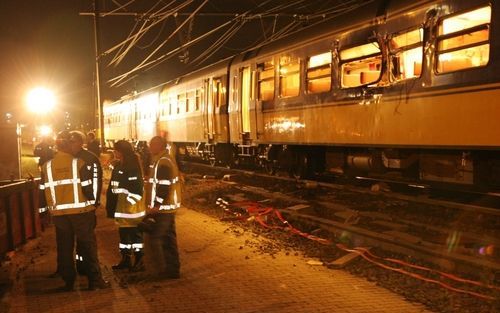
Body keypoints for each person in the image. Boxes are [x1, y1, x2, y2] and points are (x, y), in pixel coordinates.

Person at [39, 130, 110, 291]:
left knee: (64, 248)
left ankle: (68, 282)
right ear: (68, 147)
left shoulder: (47, 166)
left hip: (59, 215)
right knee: (88, 245)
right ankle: (95, 280)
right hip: (80, 213)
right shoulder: (78, 163)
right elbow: (86, 187)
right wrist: (93, 203)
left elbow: (42, 190)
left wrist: (43, 212)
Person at [142, 135, 181, 279]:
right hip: (167, 207)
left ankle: (161, 270)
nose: (149, 148)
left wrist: (156, 205)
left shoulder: (163, 162)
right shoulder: (162, 159)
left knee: (156, 238)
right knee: (168, 239)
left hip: (163, 208)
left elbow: (164, 186)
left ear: (159, 146)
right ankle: (172, 270)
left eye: (151, 145)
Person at [106, 140, 146, 272]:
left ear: (121, 151)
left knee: (135, 237)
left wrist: (130, 203)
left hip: (130, 211)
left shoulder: (131, 167)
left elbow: (137, 189)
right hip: (122, 210)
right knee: (124, 237)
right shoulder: (119, 166)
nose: (114, 153)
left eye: (115, 150)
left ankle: (139, 260)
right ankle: (126, 259)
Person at [69, 131, 103, 275]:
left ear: (80, 142)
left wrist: (94, 202)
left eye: (73, 141)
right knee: (74, 241)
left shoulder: (90, 158)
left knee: (86, 241)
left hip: (85, 207)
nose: (71, 144)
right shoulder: (67, 157)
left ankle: (87, 270)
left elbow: (96, 181)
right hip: (70, 207)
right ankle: (79, 266)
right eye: (69, 141)